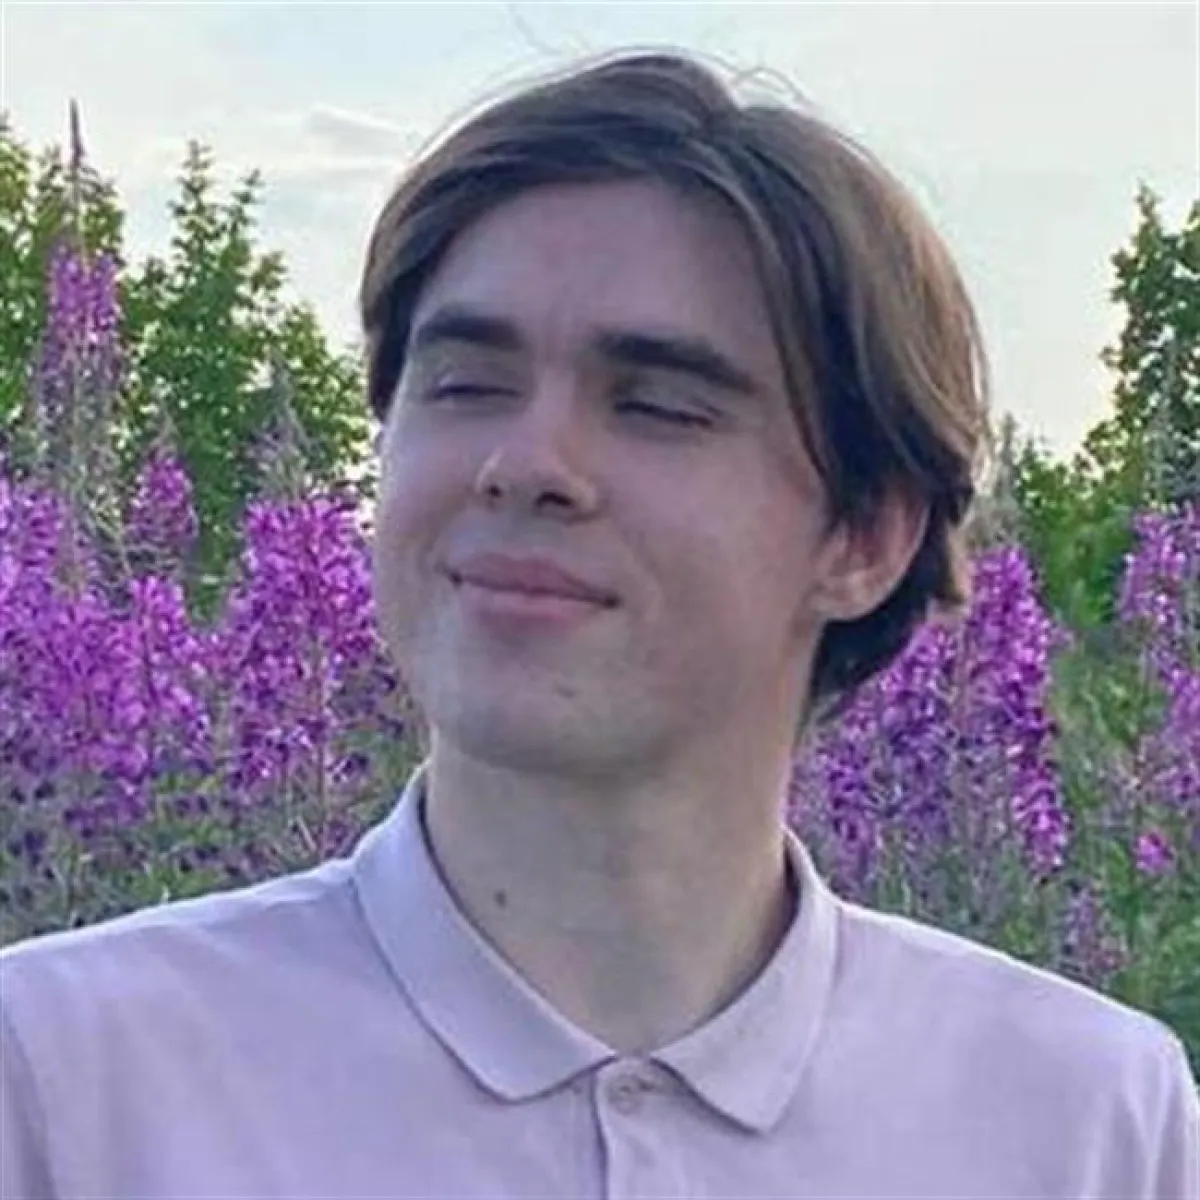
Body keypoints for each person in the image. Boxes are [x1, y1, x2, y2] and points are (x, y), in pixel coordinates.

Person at [2, 48, 1196, 1200]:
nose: (526, 463)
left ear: (865, 536)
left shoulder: (1087, 1120)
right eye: (466, 385)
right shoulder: (63, 1082)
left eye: (659, 405)